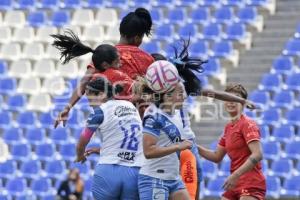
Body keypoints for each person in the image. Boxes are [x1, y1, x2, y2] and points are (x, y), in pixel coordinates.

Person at [53, 7, 154, 128]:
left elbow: (85, 81)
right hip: (138, 122)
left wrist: (68, 107)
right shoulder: (147, 59)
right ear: (138, 38)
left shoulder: (105, 54)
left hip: (111, 122)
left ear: (120, 30)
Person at [75, 77, 144, 200]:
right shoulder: (131, 106)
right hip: (135, 171)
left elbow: (82, 142)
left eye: (91, 99)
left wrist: (80, 155)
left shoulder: (100, 112)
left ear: (102, 94)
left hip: (108, 171)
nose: (90, 104)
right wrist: (100, 150)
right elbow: (126, 139)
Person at [197, 83, 266, 200]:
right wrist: (192, 146)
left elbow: (258, 154)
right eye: (228, 98)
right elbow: (216, 156)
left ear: (242, 103)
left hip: (251, 183)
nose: (231, 102)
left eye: (235, 99)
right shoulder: (228, 127)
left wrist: (235, 175)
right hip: (235, 184)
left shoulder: (247, 124)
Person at [139, 78, 193, 200]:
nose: (184, 96)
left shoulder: (176, 114)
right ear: (168, 96)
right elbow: (148, 152)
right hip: (154, 178)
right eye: (180, 93)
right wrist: (178, 147)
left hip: (173, 178)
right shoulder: (153, 116)